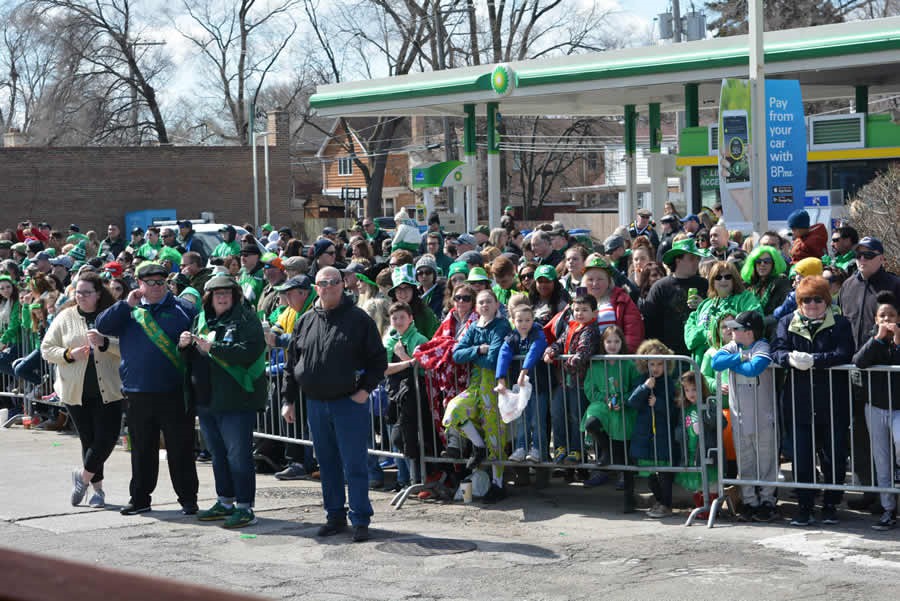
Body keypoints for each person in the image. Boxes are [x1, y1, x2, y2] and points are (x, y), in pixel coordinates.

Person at [281, 266, 387, 542]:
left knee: (354, 464)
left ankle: (361, 518)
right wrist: (288, 400)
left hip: (348, 404)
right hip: (315, 404)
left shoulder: (358, 319)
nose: (327, 287)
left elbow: (378, 361)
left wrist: (364, 390)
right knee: (326, 464)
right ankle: (335, 516)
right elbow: (292, 365)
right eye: (322, 283)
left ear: (343, 285)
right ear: (315, 287)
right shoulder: (304, 321)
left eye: (333, 282)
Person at [95, 261, 199, 516]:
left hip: (173, 391)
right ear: (139, 284)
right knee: (142, 449)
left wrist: (190, 345)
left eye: (160, 282)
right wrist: (126, 303)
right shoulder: (129, 310)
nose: (156, 287)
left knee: (180, 448)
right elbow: (102, 325)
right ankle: (140, 498)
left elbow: (199, 339)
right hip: (137, 391)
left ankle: (188, 498)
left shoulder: (183, 308)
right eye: (149, 282)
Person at [179, 274, 267, 529]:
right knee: (218, 455)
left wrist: (214, 349)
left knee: (238, 455)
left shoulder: (246, 318)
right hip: (206, 399)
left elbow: (251, 351)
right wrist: (184, 346)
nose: (222, 297)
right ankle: (224, 501)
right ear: (209, 297)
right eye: (217, 293)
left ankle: (244, 506)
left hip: (236, 400)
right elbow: (191, 358)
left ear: (235, 295)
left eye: (227, 293)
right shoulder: (202, 319)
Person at [771, 275, 854, 527]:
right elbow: (777, 349)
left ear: (826, 301)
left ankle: (830, 504)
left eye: (818, 299)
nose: (812, 304)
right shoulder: (786, 322)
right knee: (802, 456)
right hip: (799, 403)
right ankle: (805, 507)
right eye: (806, 299)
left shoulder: (839, 323)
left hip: (832, 402)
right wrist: (791, 359)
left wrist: (816, 360)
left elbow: (844, 352)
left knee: (833, 457)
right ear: (799, 301)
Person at [40, 272, 122, 508]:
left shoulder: (111, 317)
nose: (82, 297)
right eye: (78, 292)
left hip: (109, 388)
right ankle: (98, 491)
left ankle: (82, 477)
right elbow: (47, 348)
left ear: (98, 294)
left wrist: (105, 343)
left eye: (87, 292)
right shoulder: (66, 316)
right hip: (75, 390)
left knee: (106, 439)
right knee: (89, 440)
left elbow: (128, 347)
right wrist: (68, 354)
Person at [838, 236, 900, 509]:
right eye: (858, 254)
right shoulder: (848, 286)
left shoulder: (895, 285)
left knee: (893, 440)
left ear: (881, 258)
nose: (861, 259)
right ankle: (870, 492)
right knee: (860, 433)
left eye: (868, 254)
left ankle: (891, 494)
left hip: (887, 373)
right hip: (855, 370)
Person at [442, 289, 511, 503]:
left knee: (495, 434)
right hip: (475, 385)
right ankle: (478, 447)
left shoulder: (501, 326)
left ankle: (499, 485)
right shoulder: (473, 327)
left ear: (496, 304)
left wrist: (475, 354)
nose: (484, 305)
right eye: (481, 302)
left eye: (488, 302)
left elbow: (494, 359)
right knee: (454, 411)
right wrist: (479, 350)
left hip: (494, 386)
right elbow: (457, 354)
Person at [711, 311, 777, 522]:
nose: (731, 331)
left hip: (763, 417)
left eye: (736, 328)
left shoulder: (762, 346)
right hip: (739, 418)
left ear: (749, 332)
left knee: (766, 461)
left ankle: (768, 501)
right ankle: (750, 501)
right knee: (745, 462)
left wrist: (735, 363)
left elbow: (754, 368)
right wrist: (739, 357)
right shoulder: (733, 347)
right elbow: (716, 363)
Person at [852, 291, 900, 531]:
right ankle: (888, 509)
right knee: (881, 459)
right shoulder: (873, 338)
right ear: (875, 319)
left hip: (898, 409)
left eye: (891, 315)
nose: (887, 319)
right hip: (876, 406)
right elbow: (859, 361)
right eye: (882, 315)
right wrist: (879, 339)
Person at [582, 325, 641, 506]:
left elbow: (635, 388)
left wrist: (623, 400)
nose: (613, 345)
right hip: (602, 406)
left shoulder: (629, 363)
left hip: (624, 409)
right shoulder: (597, 363)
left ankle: (628, 495)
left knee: (624, 448)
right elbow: (589, 388)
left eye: (616, 341)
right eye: (609, 341)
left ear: (622, 342)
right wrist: (604, 398)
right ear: (603, 343)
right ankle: (606, 452)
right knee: (591, 423)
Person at [543, 294, 601, 465]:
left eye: (584, 310)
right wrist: (551, 351)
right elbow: (559, 343)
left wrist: (565, 363)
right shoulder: (571, 327)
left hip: (580, 382)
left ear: (594, 313)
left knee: (576, 416)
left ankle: (577, 449)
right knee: (557, 413)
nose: (580, 313)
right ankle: (560, 447)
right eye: (576, 310)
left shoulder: (591, 330)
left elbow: (583, 352)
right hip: (564, 381)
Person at [627, 339, 678, 519]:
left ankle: (666, 504)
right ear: (645, 363)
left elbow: (674, 409)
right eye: (652, 364)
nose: (655, 368)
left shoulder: (669, 383)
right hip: (644, 432)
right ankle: (659, 500)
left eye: (659, 364)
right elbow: (632, 402)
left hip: (663, 433)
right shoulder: (642, 380)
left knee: (664, 472)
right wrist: (644, 388)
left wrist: (659, 404)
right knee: (648, 472)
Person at [495, 303, 548, 463]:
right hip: (520, 390)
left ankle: (538, 449)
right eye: (520, 320)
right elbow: (504, 354)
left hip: (538, 385)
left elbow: (535, 349)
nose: (524, 324)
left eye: (527, 320)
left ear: (533, 320)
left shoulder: (537, 333)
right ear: (513, 321)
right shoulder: (512, 336)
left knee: (537, 419)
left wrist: (524, 371)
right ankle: (520, 447)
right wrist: (501, 379)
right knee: (521, 418)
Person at [684, 260, 762, 366]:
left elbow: (755, 321)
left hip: (731, 365)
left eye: (728, 277)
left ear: (734, 279)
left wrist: (721, 334)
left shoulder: (745, 298)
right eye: (718, 277)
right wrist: (707, 334)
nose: (723, 280)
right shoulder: (705, 304)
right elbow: (690, 340)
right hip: (701, 366)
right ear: (712, 281)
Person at [641, 238, 708, 357]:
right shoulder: (660, 288)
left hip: (699, 353)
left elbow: (717, 314)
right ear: (678, 260)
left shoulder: (705, 284)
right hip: (669, 358)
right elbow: (649, 324)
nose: (697, 262)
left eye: (698, 258)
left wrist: (704, 305)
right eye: (692, 258)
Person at [741, 245, 791, 339]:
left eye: (767, 261)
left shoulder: (781, 282)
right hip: (752, 334)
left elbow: (782, 312)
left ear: (774, 263)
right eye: (758, 262)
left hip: (774, 333)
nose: (762, 264)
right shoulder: (750, 286)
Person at [388, 265, 438, 339]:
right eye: (399, 289)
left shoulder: (426, 313)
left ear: (413, 291)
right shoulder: (390, 312)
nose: (403, 293)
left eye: (407, 288)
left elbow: (435, 339)